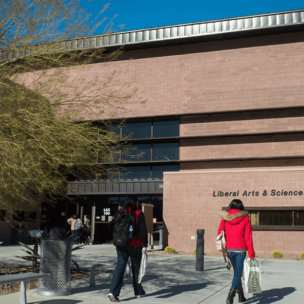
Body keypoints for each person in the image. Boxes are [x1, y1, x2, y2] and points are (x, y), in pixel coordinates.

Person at [108, 195, 148, 302]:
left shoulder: (121, 212)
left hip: (121, 244)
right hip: (135, 244)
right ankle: (138, 292)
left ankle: (113, 292)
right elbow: (143, 230)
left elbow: (110, 226)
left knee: (120, 267)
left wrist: (117, 236)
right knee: (136, 268)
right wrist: (145, 245)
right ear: (135, 202)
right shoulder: (139, 213)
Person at [217, 199, 255, 304]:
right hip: (240, 250)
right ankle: (231, 295)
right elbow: (248, 236)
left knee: (237, 273)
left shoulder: (225, 217)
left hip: (229, 249)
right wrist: (251, 254)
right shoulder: (245, 218)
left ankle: (241, 296)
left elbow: (219, 232)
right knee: (237, 274)